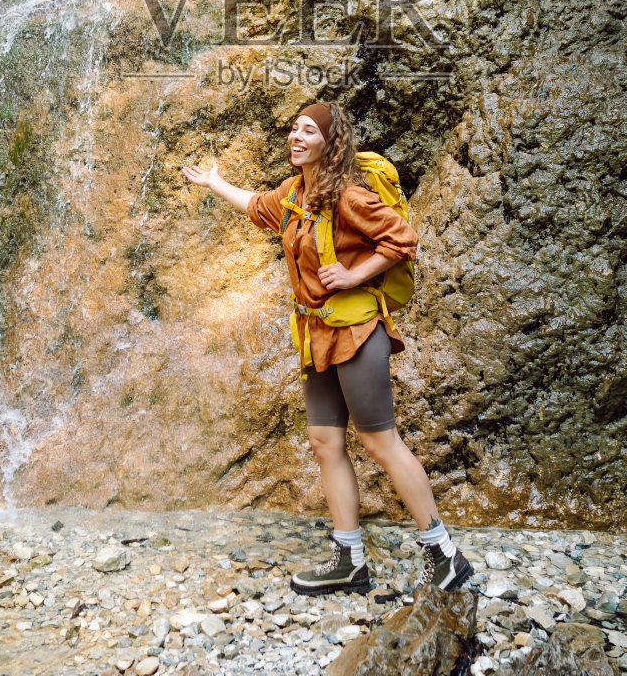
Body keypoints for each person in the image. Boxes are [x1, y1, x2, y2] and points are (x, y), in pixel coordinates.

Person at [183, 100, 472, 597]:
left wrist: (355, 274)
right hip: (315, 334)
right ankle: (349, 559)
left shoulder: (349, 195)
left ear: (329, 142)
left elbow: (403, 239)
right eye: (294, 128)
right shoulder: (294, 193)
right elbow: (257, 207)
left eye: (309, 130)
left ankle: (444, 554)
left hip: (357, 331)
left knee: (380, 441)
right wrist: (214, 183)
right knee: (324, 442)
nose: (297, 136)